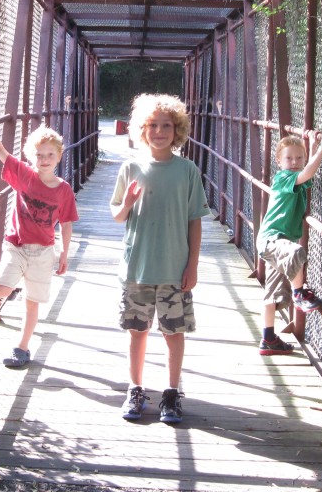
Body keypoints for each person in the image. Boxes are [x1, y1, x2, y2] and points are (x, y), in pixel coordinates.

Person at [109, 94, 210, 424]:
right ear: (142, 129)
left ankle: (171, 392)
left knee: (173, 333)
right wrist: (126, 202)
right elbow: (117, 216)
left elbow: (195, 220)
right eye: (152, 125)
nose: (160, 131)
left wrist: (192, 264)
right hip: (138, 266)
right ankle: (135, 388)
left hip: (174, 269)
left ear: (177, 130)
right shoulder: (131, 167)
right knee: (137, 332)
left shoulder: (187, 170)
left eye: (167, 126)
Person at [0, 120, 78, 369]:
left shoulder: (64, 190)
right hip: (17, 245)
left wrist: (63, 253)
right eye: (39, 155)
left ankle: (22, 348)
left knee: (32, 302)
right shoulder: (25, 176)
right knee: (1, 290)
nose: (44, 159)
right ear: (31, 157)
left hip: (43, 252)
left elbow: (66, 223)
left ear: (59, 156)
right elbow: (0, 150)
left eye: (50, 154)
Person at [257, 130, 322, 356]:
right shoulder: (283, 178)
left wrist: (310, 146)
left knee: (271, 295)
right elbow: (308, 172)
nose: (294, 163)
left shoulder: (297, 180)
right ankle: (299, 293)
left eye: (299, 158)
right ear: (279, 162)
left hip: (274, 242)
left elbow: (308, 172)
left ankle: (268, 339)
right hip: (273, 240)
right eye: (289, 159)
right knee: (297, 251)